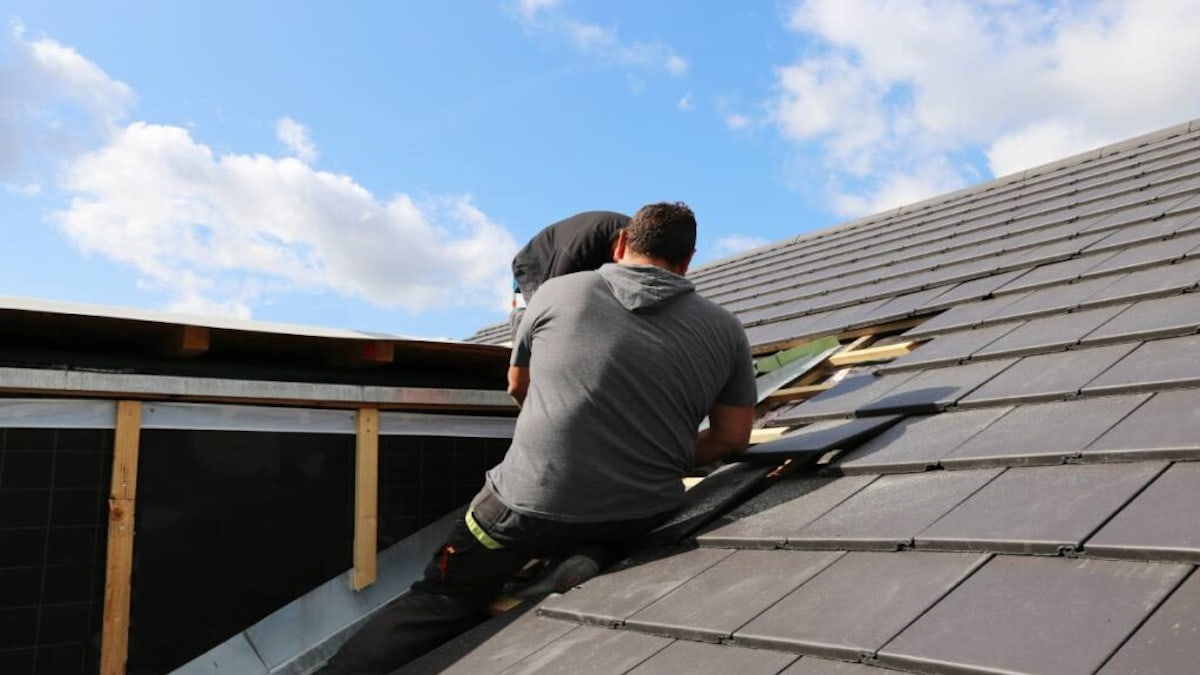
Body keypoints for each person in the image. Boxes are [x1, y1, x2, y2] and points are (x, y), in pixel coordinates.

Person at [320, 202, 756, 674]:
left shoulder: (555, 293)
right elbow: (733, 437)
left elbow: (517, 386)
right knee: (601, 523)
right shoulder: (727, 330)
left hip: (524, 507)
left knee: (440, 598)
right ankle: (585, 553)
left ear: (621, 244)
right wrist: (660, 456)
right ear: (689, 261)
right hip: (637, 514)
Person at [508, 210, 630, 339]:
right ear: (622, 242)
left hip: (586, 263)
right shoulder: (576, 251)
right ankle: (522, 322)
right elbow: (551, 300)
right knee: (547, 319)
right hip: (534, 264)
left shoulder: (642, 242)